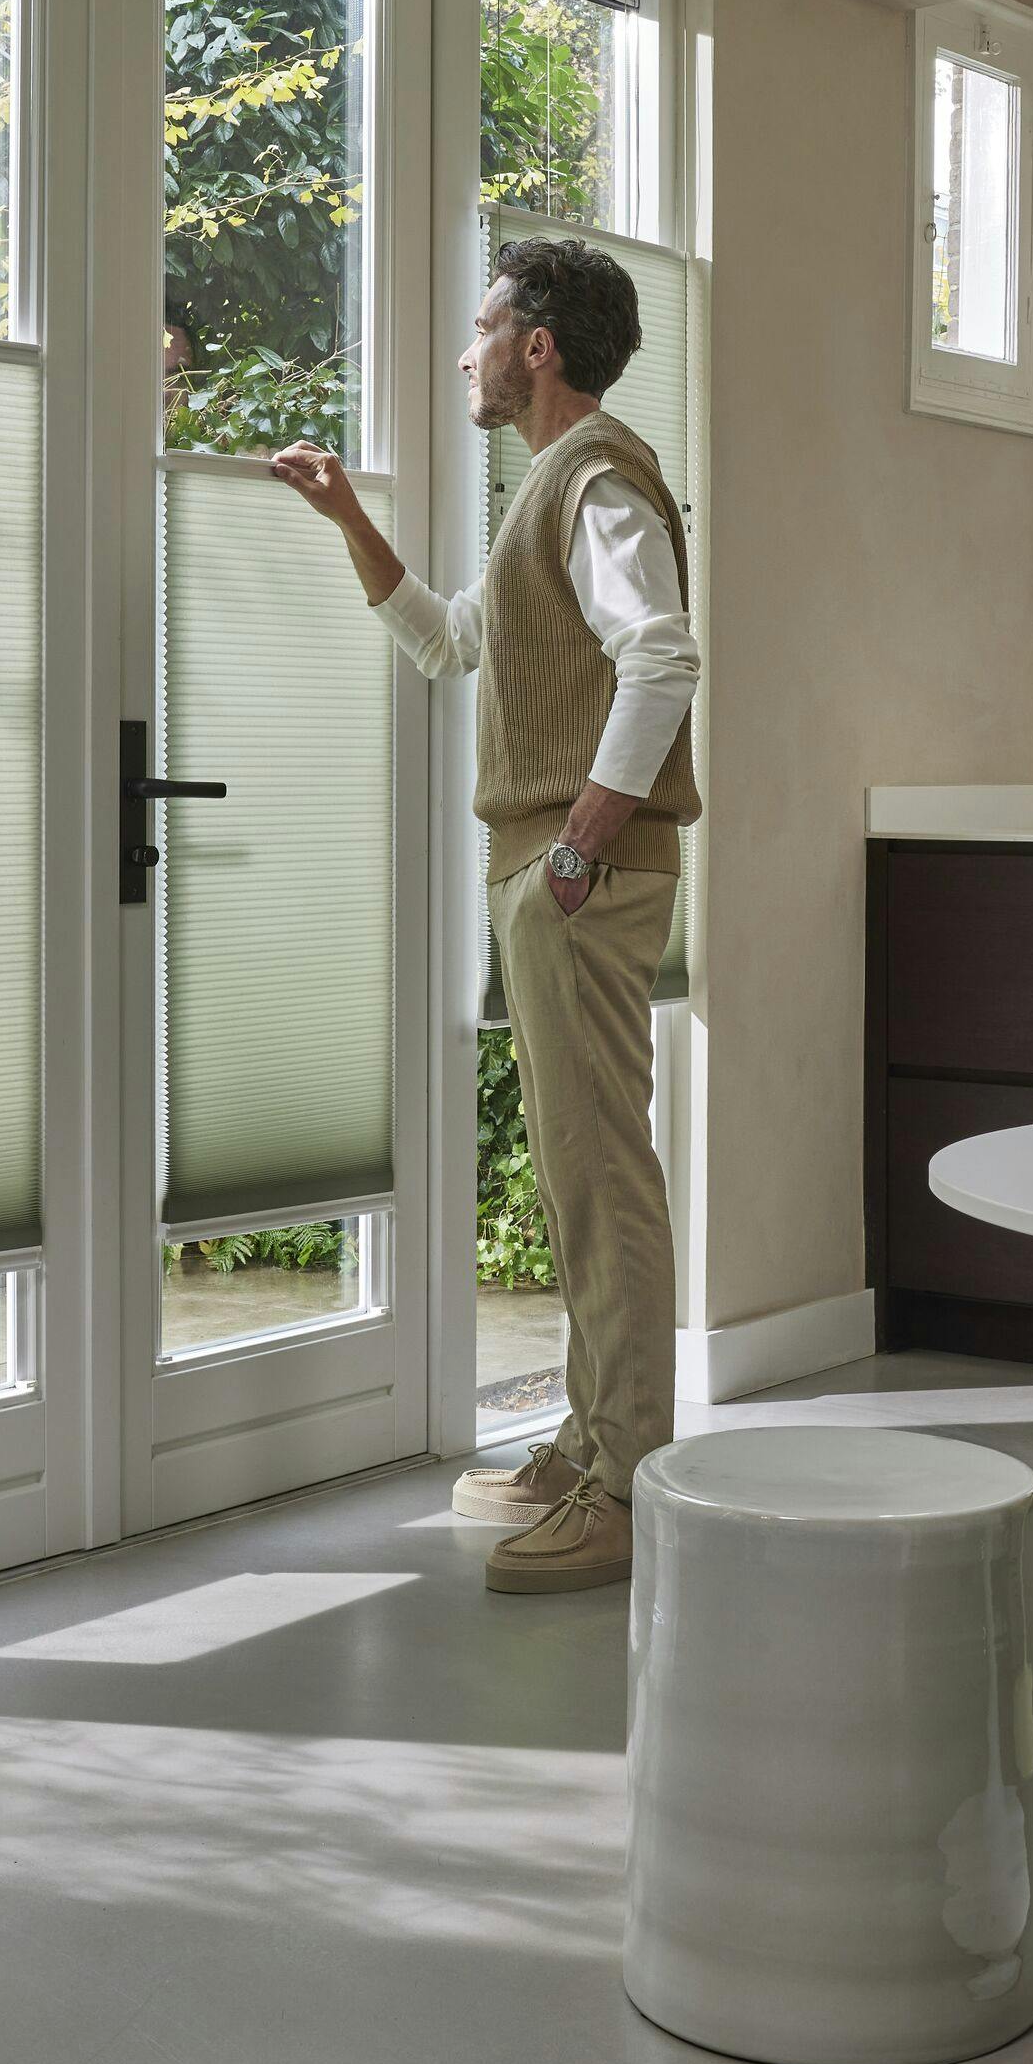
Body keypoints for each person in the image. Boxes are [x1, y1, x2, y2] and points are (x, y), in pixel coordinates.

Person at [268, 234, 700, 1594]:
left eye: (481, 327)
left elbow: (665, 654)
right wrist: (350, 516)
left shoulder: (595, 480)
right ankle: (588, 1440)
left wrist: (579, 840)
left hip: (579, 874)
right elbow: (456, 639)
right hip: (549, 871)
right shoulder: (546, 494)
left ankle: (629, 1484)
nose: (465, 352)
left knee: (603, 1174)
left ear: (539, 347)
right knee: (578, 1176)